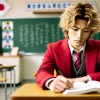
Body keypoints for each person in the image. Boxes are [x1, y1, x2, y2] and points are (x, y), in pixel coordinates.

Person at [36, 2, 100, 93]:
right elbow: (42, 71)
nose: (79, 36)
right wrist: (51, 82)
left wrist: (85, 78)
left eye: (85, 31)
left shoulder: (98, 46)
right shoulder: (53, 48)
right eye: (75, 29)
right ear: (67, 28)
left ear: (90, 32)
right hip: (64, 95)